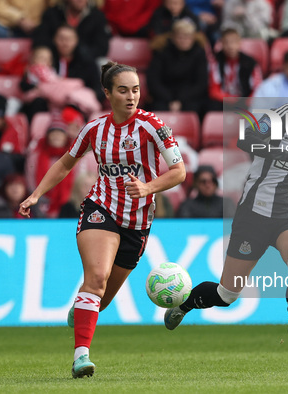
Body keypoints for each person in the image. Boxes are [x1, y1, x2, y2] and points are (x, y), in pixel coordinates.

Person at [18, 62, 186, 378]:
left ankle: (83, 304)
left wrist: (148, 187)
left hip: (137, 224)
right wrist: (36, 194)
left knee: (101, 300)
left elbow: (180, 171)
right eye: (123, 90)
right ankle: (81, 357)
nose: (131, 96)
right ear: (107, 93)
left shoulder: (153, 126)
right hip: (101, 209)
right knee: (96, 278)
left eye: (135, 89)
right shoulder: (94, 129)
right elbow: (65, 164)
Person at [164, 53, 288, 338]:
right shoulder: (276, 118)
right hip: (254, 213)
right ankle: (185, 305)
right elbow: (246, 140)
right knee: (227, 293)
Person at [0, 0, 48, 91]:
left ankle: (48, 80)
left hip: (37, 29)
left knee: (53, 28)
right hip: (8, 27)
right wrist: (19, 19)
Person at [148, 19, 209, 116]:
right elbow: (153, 81)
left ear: (193, 38)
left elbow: (201, 83)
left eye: (187, 37)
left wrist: (180, 100)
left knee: (196, 108)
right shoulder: (162, 51)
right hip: (164, 96)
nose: (184, 41)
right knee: (157, 109)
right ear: (173, 37)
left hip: (190, 97)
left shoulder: (199, 53)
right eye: (180, 37)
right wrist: (170, 99)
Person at [33, 0, 110, 60]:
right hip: (55, 59)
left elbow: (102, 47)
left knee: (103, 63)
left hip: (85, 60)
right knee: (41, 57)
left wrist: (77, 52)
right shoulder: (52, 13)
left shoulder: (97, 16)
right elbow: (40, 40)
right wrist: (60, 51)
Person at [208, 28, 264, 111]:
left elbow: (257, 89)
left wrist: (245, 101)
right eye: (226, 43)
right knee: (210, 105)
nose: (230, 46)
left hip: (245, 101)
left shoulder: (251, 63)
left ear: (239, 43)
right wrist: (231, 99)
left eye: (234, 42)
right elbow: (213, 90)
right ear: (221, 44)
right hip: (223, 101)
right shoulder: (215, 61)